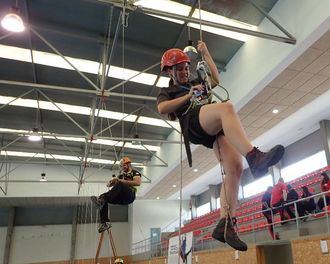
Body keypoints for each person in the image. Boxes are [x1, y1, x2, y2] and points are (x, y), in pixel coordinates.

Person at [157, 41, 285, 251]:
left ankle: (226, 224)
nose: (185, 72)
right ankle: (254, 156)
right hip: (193, 123)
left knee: (235, 168)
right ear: (170, 71)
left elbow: (215, 79)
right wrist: (189, 95)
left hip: (211, 128)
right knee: (227, 108)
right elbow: (162, 108)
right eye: (179, 69)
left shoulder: (196, 81)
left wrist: (206, 54)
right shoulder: (168, 91)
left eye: (186, 68)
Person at [91, 157, 141, 233]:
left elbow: (137, 183)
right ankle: (105, 223)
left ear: (128, 165)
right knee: (103, 197)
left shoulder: (135, 173)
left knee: (120, 184)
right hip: (121, 198)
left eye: (123, 165)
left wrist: (120, 181)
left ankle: (101, 199)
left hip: (129, 195)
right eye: (121, 166)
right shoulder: (121, 176)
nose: (122, 168)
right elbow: (108, 185)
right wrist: (112, 181)